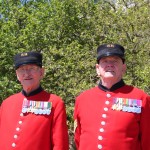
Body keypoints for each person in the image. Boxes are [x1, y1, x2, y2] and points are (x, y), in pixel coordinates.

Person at [74, 44, 150, 150]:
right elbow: (78, 138)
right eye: (105, 61)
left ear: (123, 67)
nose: (110, 64)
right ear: (97, 68)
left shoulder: (141, 98)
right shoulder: (82, 99)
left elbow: (147, 141)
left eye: (115, 61)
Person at [0, 51, 69, 150]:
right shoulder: (7, 103)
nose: (26, 74)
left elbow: (60, 145)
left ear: (41, 72)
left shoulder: (55, 103)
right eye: (22, 70)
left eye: (31, 69)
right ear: (17, 75)